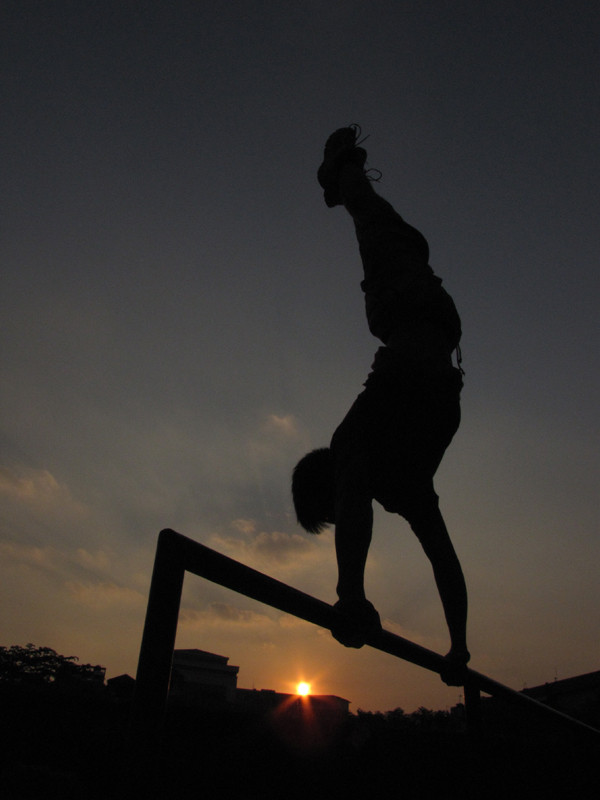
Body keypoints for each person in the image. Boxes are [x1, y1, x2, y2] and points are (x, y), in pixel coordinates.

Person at [292, 126, 470, 681]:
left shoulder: (373, 465)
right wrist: (457, 648)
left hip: (428, 360)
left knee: (373, 217)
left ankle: (339, 169)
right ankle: (340, 173)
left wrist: (352, 598)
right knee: (374, 219)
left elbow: (442, 556)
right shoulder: (401, 483)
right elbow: (442, 561)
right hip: (420, 332)